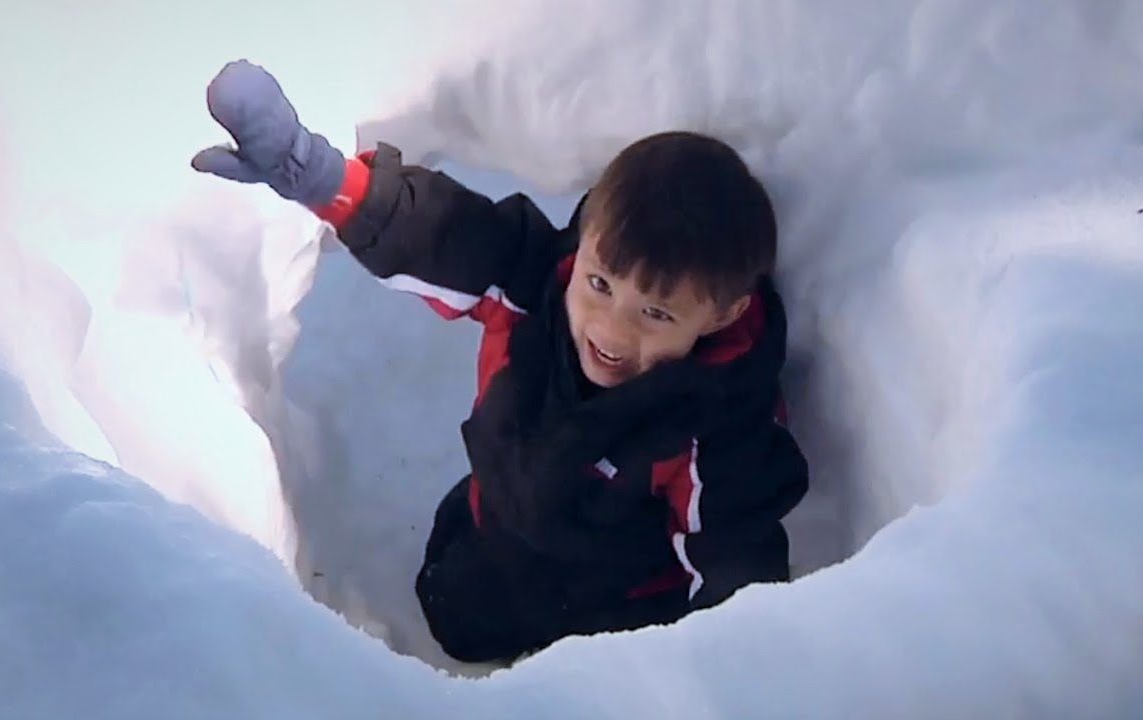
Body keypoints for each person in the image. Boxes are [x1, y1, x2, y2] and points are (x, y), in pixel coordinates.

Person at [193, 60, 809, 663]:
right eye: (600, 284)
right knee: (452, 622)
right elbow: (441, 233)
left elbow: (734, 559)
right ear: (585, 243)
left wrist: (728, 674)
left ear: (722, 315)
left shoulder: (719, 431)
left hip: (618, 602)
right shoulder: (536, 285)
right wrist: (321, 178)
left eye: (656, 313)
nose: (611, 330)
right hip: (497, 532)